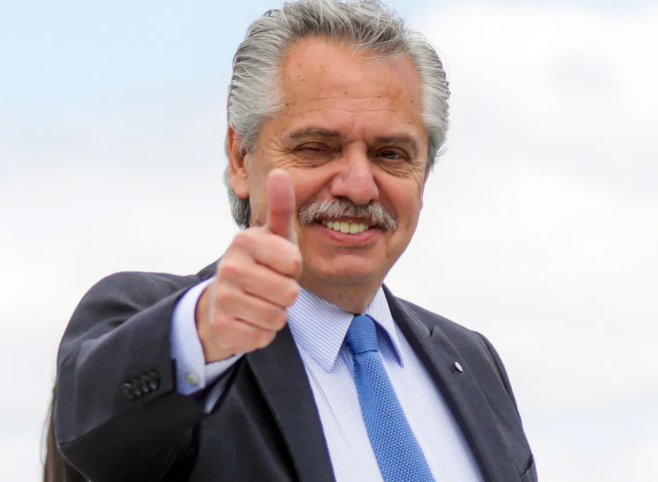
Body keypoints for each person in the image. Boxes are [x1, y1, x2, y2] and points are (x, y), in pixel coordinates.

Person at [51, 1, 537, 481]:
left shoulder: (473, 362)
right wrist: (201, 332)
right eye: (315, 148)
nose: (358, 187)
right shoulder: (178, 333)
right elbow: (91, 434)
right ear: (240, 158)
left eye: (390, 154)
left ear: (425, 172)